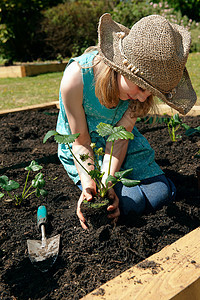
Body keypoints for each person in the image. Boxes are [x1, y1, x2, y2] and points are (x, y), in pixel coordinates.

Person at [56, 13, 196, 229]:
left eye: (151, 93)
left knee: (160, 194)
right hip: (86, 148)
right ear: (121, 66)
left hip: (120, 144)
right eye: (140, 87)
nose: (142, 98)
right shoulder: (76, 79)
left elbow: (120, 138)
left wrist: (110, 179)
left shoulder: (139, 96)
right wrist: (91, 188)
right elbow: (80, 142)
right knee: (128, 202)